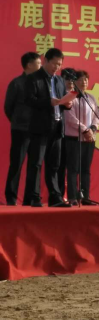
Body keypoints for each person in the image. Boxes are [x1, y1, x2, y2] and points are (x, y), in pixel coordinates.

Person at [23, 48, 73, 208]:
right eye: (54, 63)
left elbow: (61, 101)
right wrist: (48, 102)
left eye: (59, 64)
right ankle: (34, 197)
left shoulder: (59, 80)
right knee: (36, 164)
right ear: (45, 60)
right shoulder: (33, 78)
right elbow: (29, 100)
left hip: (57, 127)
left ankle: (55, 197)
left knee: (54, 165)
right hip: (40, 128)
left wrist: (67, 104)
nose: (56, 67)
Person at [4, 52, 40, 205]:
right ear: (29, 65)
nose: (40, 66)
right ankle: (11, 198)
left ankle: (30, 198)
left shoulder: (40, 82)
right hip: (20, 129)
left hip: (37, 130)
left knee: (35, 165)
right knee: (17, 163)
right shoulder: (17, 83)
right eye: (38, 63)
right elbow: (8, 107)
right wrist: (18, 121)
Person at [63, 70, 99, 205]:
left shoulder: (91, 98)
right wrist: (84, 130)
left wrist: (93, 128)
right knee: (73, 169)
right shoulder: (70, 96)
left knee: (85, 169)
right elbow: (70, 118)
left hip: (89, 139)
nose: (84, 82)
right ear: (74, 82)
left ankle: (85, 197)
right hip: (74, 138)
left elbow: (97, 116)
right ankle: (73, 197)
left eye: (86, 79)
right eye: (80, 79)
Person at [57, 72, 76, 199]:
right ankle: (59, 194)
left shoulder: (79, 95)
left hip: (75, 136)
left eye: (72, 79)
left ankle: (73, 195)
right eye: (67, 79)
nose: (70, 82)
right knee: (60, 165)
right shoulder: (59, 95)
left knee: (74, 167)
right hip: (61, 134)